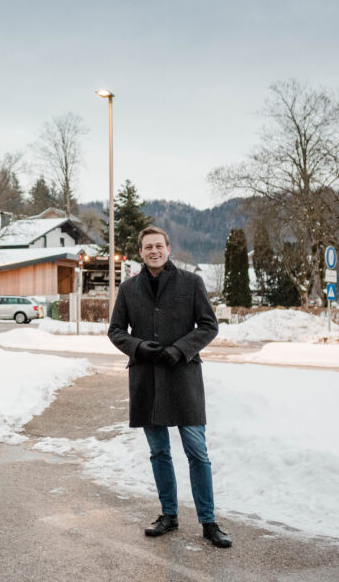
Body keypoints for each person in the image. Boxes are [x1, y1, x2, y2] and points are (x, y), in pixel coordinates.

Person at [108, 226, 232, 548]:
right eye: (148, 246)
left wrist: (180, 349)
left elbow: (209, 325)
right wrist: (138, 347)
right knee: (159, 452)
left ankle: (209, 522)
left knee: (197, 452)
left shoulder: (191, 282)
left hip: (183, 379)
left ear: (168, 248)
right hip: (146, 381)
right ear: (140, 252)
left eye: (158, 246)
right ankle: (169, 515)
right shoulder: (129, 289)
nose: (154, 251)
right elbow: (116, 331)